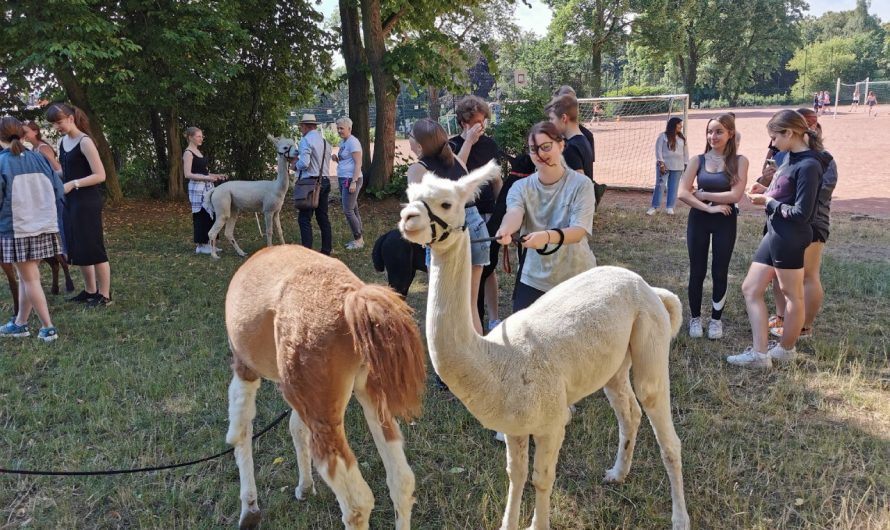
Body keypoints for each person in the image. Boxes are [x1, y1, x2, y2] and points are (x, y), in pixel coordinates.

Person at [727, 109, 824, 369]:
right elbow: (786, 193)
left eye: (774, 137)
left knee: (793, 296)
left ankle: (785, 350)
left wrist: (768, 201)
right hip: (775, 232)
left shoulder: (809, 164)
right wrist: (767, 190)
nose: (772, 144)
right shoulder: (789, 158)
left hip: (790, 235)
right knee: (750, 288)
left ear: (790, 133)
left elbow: (802, 213)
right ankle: (760, 354)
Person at [495, 121, 597, 313]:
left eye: (546, 147)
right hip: (533, 277)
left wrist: (546, 236)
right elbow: (514, 213)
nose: (540, 155)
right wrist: (506, 229)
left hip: (576, 276)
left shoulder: (582, 185)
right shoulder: (520, 187)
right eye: (534, 150)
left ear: (561, 145)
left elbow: (578, 231)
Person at [406, 118, 489, 336]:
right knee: (470, 305)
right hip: (476, 227)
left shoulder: (417, 169)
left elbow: (418, 211)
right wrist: (469, 141)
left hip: (446, 234)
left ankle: (447, 363)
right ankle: (477, 360)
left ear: (420, 146)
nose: (409, 140)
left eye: (411, 137)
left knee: (443, 305)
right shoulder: (455, 161)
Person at [768, 108, 837, 340]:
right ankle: (783, 317)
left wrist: (779, 200)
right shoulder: (791, 154)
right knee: (782, 276)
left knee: (808, 275)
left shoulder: (821, 160)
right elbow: (784, 184)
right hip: (785, 220)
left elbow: (814, 195)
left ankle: (804, 326)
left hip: (811, 222)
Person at [677, 114, 747, 340]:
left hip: (725, 220)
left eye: (718, 132)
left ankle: (716, 320)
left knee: (720, 270)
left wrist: (706, 194)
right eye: (710, 131)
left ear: (730, 134)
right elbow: (682, 193)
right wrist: (708, 208)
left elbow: (736, 195)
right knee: (697, 270)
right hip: (700, 218)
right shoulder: (698, 160)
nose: (713, 136)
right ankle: (695, 318)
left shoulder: (740, 161)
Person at [0, 117, 65, 341]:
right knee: (28, 276)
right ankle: (21, 323)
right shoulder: (39, 158)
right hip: (44, 225)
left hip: (17, 230)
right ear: (23, 134)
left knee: (30, 279)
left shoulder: (2, 162)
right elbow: (58, 190)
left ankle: (48, 328)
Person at [46, 103, 112, 307]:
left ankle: (105, 295)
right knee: (78, 247)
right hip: (71, 200)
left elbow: (100, 175)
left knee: (93, 246)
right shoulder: (63, 142)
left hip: (87, 201)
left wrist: (73, 184)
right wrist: (49, 175)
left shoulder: (85, 142)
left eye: (59, 122)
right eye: (54, 124)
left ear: (71, 118)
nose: (57, 127)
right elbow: (67, 171)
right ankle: (89, 290)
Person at [448, 96, 504, 332]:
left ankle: (493, 317)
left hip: (488, 214)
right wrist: (468, 143)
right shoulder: (450, 147)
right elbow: (455, 173)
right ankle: (468, 316)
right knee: (468, 269)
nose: (481, 126)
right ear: (464, 122)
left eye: (483, 122)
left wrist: (503, 210)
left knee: (488, 267)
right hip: (464, 216)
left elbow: (496, 179)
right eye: (476, 122)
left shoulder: (490, 145)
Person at [183, 127, 227, 255]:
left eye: (202, 136)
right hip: (197, 189)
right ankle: (201, 245)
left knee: (210, 214)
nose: (201, 138)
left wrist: (216, 175)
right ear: (190, 137)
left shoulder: (198, 152)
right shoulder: (188, 153)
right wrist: (207, 178)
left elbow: (204, 172)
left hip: (207, 187)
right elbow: (187, 174)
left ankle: (210, 243)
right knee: (201, 215)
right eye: (198, 136)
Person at [294, 113, 332, 255]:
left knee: (304, 218)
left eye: (301, 126)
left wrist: (294, 165)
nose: (300, 129)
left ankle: (307, 251)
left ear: (306, 126)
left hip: (310, 183)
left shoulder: (306, 141)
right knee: (322, 217)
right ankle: (326, 250)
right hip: (325, 180)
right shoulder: (325, 142)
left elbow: (304, 163)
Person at [332, 117, 364, 250]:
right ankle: (359, 236)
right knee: (353, 209)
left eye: (342, 128)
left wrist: (354, 182)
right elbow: (347, 162)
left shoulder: (353, 142)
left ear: (349, 129)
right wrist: (337, 159)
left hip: (351, 179)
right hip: (343, 178)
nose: (339, 130)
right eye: (338, 128)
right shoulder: (343, 142)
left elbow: (358, 163)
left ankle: (359, 240)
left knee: (348, 210)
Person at [546, 94, 593, 182]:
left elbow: (578, 186)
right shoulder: (583, 140)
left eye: (552, 119)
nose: (550, 123)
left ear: (564, 118)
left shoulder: (570, 148)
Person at [647, 117, 688, 215]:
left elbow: (686, 153)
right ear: (673, 125)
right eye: (679, 124)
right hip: (664, 166)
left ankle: (670, 207)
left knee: (673, 187)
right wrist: (661, 163)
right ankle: (654, 207)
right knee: (660, 185)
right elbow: (658, 150)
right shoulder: (663, 136)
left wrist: (686, 164)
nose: (681, 126)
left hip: (678, 166)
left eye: (681, 124)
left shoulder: (682, 138)